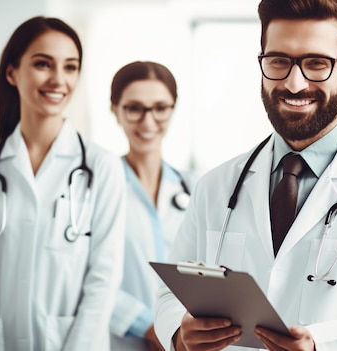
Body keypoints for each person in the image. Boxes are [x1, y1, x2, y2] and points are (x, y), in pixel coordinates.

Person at [154, 0, 337, 350]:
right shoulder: (216, 185)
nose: (294, 84)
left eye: (316, 64)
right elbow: (171, 292)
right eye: (278, 61)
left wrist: (321, 344)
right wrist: (179, 334)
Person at [0, 16, 127, 350]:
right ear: (12, 72)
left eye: (70, 67)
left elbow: (103, 280)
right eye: (43, 64)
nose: (58, 79)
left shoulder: (102, 167)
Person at [109, 61, 192, 351]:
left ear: (173, 108)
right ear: (115, 110)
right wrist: (149, 326)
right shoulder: (101, 189)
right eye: (135, 108)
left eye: (160, 108)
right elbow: (87, 273)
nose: (148, 122)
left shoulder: (192, 189)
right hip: (123, 341)